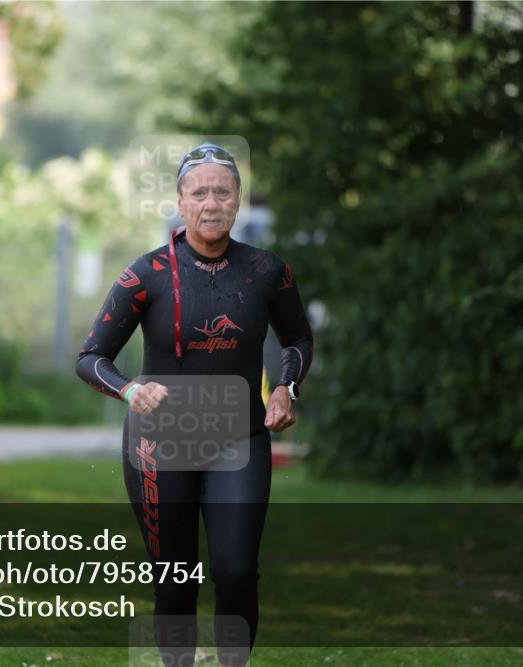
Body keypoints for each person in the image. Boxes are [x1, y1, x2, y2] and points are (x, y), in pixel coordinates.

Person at [75, 142, 313, 667]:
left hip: (240, 438)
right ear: (180, 202)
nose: (211, 203)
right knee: (175, 579)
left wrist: (285, 388)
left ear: (238, 202)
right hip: (161, 444)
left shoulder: (267, 271)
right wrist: (131, 389)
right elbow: (91, 356)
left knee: (234, 571)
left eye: (222, 192)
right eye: (198, 192)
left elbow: (298, 339)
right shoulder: (148, 274)